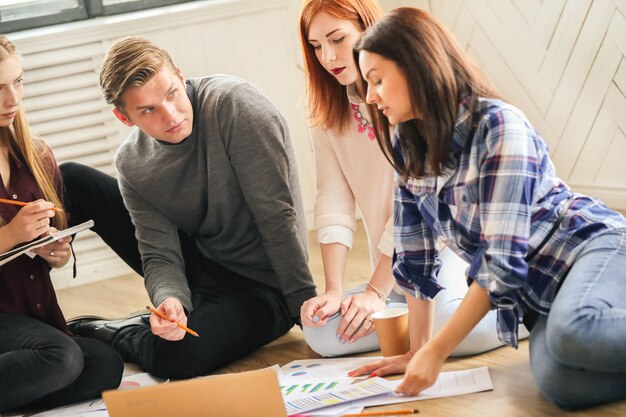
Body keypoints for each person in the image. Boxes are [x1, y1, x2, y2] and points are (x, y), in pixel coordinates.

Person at [350, 7, 626, 410]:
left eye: (377, 80)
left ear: (417, 67)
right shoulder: (406, 145)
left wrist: (437, 353)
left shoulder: (499, 127)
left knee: (575, 334)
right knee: (562, 386)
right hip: (543, 287)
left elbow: (500, 263)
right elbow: (415, 259)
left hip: (590, 247)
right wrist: (416, 350)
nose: (370, 96)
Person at [65, 36, 317, 380]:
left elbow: (278, 216)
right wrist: (171, 300)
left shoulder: (236, 106)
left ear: (180, 76)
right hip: (199, 264)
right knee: (70, 180)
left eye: (171, 93)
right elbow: (159, 253)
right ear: (124, 118)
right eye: (148, 110)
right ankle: (28, 324)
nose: (170, 115)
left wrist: (303, 304)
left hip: (263, 286)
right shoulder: (132, 161)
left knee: (176, 357)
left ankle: (112, 330)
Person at [297, 0, 519, 357]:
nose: (328, 57)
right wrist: (335, 291)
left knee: (444, 326)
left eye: (337, 39)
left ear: (368, 29)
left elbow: (420, 211)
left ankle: (523, 308)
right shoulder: (327, 110)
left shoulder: (409, 99)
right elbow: (333, 201)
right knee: (320, 334)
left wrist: (375, 292)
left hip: (445, 252)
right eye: (316, 46)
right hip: (391, 267)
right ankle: (411, 322)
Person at [0, 34, 123, 412]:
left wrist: (55, 252)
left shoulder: (35, 155)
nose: (13, 100)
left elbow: (51, 260)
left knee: (105, 364)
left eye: (17, 82)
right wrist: (9, 236)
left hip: (30, 319)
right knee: (61, 358)